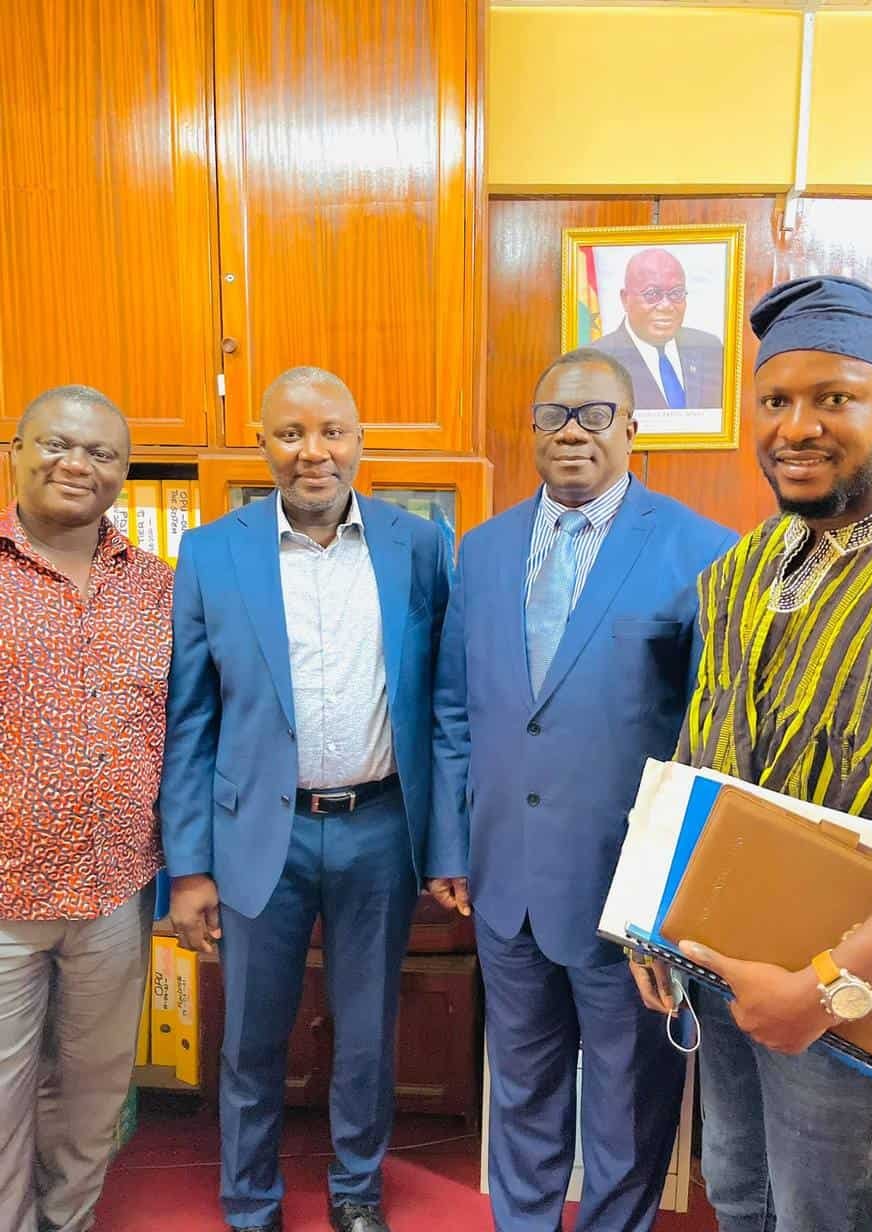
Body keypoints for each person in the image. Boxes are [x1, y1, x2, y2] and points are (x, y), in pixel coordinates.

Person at [630, 275, 872, 1232]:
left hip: (851, 1000)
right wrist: (650, 924)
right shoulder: (741, 569)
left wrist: (829, 989)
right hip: (724, 974)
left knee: (815, 1217)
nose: (798, 428)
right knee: (740, 1194)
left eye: (835, 398)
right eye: (775, 401)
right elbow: (699, 760)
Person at [428, 347, 735, 1231]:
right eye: (554, 415)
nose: (573, 432)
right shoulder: (483, 551)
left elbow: (712, 741)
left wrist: (674, 893)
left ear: (632, 428)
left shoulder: (701, 550)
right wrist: (451, 846)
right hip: (504, 884)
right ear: (532, 430)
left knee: (628, 1106)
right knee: (521, 1088)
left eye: (595, 414)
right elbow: (455, 710)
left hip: (625, 895)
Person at [159, 366, 450, 1232]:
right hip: (260, 834)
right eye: (290, 434)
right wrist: (188, 868)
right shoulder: (211, 552)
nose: (312, 452)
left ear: (360, 441)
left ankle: (357, 1189)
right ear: (263, 444)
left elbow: (446, 702)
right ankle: (251, 1201)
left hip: (381, 828)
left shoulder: (420, 545)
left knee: (367, 1033)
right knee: (251, 1034)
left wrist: (449, 845)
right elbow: (190, 720)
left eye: (332, 432)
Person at [0, 385, 172, 1232]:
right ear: (16, 453)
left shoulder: (159, 587)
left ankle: (68, 1221)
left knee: (95, 1092)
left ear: (122, 472)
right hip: (5, 897)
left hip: (114, 893)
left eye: (101, 453)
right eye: (56, 444)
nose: (77, 464)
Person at [593, 247, 724, 411]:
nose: (666, 306)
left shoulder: (709, 348)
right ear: (625, 299)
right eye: (652, 294)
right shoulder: (597, 360)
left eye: (676, 293)